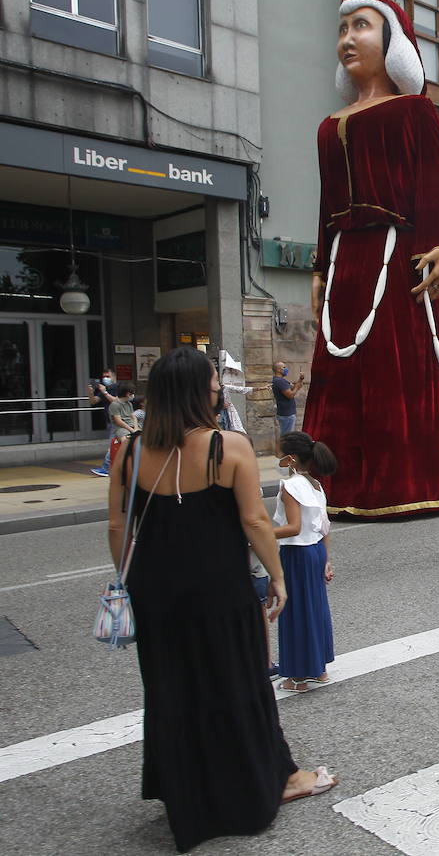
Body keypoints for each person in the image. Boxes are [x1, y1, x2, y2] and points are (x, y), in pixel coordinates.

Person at [106, 347, 335, 853]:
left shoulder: (130, 450)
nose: (218, 388)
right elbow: (255, 522)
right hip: (219, 587)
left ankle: (187, 793)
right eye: (214, 382)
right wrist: (277, 577)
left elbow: (119, 525)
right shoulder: (227, 447)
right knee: (239, 683)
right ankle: (276, 778)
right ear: (197, 391)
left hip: (155, 588)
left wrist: (128, 582)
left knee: (173, 687)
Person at [305, 0, 439, 516]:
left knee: (405, 365)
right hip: (347, 264)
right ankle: (341, 485)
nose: (347, 39)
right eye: (342, 29)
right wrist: (322, 263)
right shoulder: (329, 126)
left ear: (390, 39)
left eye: (360, 26)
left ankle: (422, 480)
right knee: (343, 374)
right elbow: (327, 202)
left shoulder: (414, 112)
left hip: (398, 257)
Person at [272, 431, 338, 694]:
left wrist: (259, 532)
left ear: (289, 458)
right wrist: (326, 560)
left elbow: (292, 527)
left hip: (296, 553)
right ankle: (319, 669)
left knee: (296, 613)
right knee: (315, 608)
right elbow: (324, 527)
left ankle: (296, 676)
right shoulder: (316, 485)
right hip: (315, 551)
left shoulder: (289, 486)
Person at [217, 351, 254, 434]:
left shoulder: (225, 387)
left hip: (225, 414)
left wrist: (260, 388)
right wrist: (219, 405)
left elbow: (241, 389)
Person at [271, 361, 306, 439]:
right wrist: (297, 387)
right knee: (286, 438)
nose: (286, 369)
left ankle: (283, 450)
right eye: (284, 367)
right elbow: (290, 395)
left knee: (286, 436)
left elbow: (293, 387)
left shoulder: (281, 380)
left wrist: (300, 379)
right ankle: (283, 451)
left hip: (287, 413)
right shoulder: (279, 381)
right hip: (286, 414)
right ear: (278, 370)